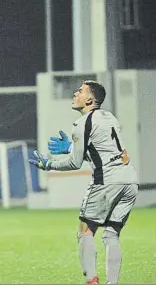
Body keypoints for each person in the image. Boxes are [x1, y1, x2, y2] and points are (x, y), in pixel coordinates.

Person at [29, 80, 139, 284]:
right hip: (130, 180)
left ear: (89, 99)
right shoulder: (109, 117)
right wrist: (72, 145)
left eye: (80, 91)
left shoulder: (82, 123)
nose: (75, 93)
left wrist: (48, 164)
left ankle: (92, 280)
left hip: (107, 181)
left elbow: (74, 163)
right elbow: (102, 150)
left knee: (85, 230)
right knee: (111, 234)